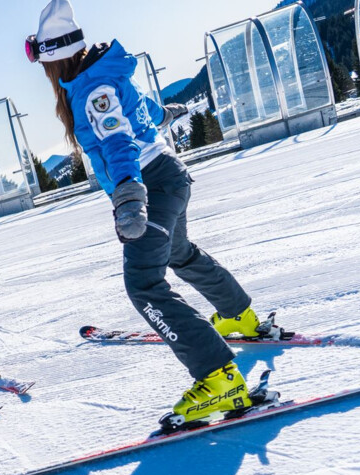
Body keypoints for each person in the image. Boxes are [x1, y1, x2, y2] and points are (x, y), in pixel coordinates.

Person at [26, 0, 265, 424]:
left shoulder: (91, 89)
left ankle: (219, 378)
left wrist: (129, 197)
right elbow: (142, 109)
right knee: (179, 253)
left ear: (53, 58)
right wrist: (166, 114)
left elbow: (118, 142)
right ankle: (238, 315)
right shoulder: (101, 72)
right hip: (168, 174)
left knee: (144, 284)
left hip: (151, 183)